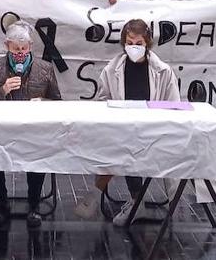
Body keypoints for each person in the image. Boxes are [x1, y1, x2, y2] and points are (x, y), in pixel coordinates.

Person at [75, 19, 180, 225]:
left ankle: (98, 196)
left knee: (130, 148)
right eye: (129, 43)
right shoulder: (112, 69)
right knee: (120, 147)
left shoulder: (163, 71)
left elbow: (174, 105)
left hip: (155, 131)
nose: (134, 47)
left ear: (147, 43)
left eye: (139, 43)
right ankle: (135, 201)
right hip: (122, 130)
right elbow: (103, 101)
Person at [0, 20, 61, 228]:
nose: (20, 53)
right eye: (16, 49)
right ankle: (0, 203)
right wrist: (2, 90)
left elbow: (58, 103)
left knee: (39, 155)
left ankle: (34, 204)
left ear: (31, 46)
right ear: (7, 45)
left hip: (34, 131)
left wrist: (43, 102)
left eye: (24, 48)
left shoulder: (45, 69)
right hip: (0, 130)